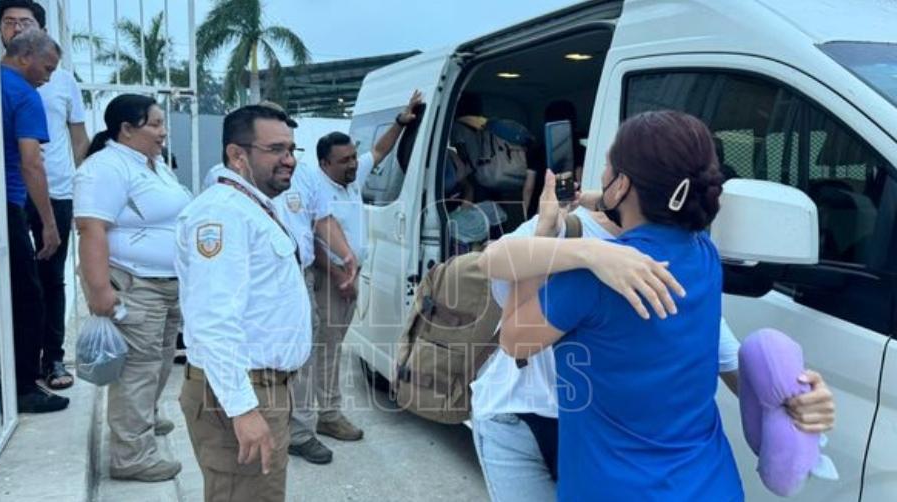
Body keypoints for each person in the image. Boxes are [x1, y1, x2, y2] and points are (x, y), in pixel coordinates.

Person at [471, 169, 836, 501]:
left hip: (594, 438)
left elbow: (731, 364)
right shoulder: (564, 226)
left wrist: (797, 400)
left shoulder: (683, 260)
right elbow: (492, 261)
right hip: (520, 417)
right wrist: (587, 252)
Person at [482, 110, 770, 500]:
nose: (601, 173)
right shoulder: (704, 254)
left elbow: (515, 339)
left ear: (621, 185)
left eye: (607, 165)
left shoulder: (593, 278)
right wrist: (594, 204)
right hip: (709, 484)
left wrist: (554, 234)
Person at [176, 104, 311, 502]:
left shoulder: (251, 206)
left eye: (292, 149)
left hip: (261, 388)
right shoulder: (222, 213)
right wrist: (243, 409)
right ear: (237, 155)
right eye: (276, 149)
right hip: (241, 391)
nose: (289, 160)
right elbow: (212, 319)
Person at [288, 91, 424, 461]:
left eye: (352, 157)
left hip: (347, 275)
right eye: (344, 161)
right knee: (323, 350)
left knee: (332, 348)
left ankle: (325, 412)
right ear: (324, 163)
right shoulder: (315, 186)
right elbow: (314, 238)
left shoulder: (351, 179)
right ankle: (325, 415)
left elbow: (379, 152)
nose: (353, 165)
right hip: (329, 279)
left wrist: (400, 122)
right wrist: (338, 276)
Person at [75, 94, 191, 482]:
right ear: (126, 129)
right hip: (134, 282)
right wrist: (99, 292)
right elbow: (91, 229)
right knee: (138, 369)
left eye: (162, 124)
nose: (163, 132)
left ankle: (143, 421)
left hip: (166, 283)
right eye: (154, 124)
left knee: (159, 361)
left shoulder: (154, 165)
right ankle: (130, 457)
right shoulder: (105, 168)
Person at [0, 0, 91, 390]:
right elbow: (27, 157)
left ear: (41, 30)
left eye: (27, 22)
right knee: (12, 279)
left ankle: (52, 358)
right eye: (10, 22)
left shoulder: (61, 80)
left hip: (56, 191)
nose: (18, 28)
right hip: (10, 192)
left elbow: (79, 139)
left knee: (51, 279)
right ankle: (12, 367)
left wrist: (82, 187)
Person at [0, 26, 66, 413]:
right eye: (47, 67)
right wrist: (48, 223)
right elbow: (31, 162)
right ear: (25, 57)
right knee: (28, 297)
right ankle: (24, 386)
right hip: (6, 202)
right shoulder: (24, 94)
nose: (48, 78)